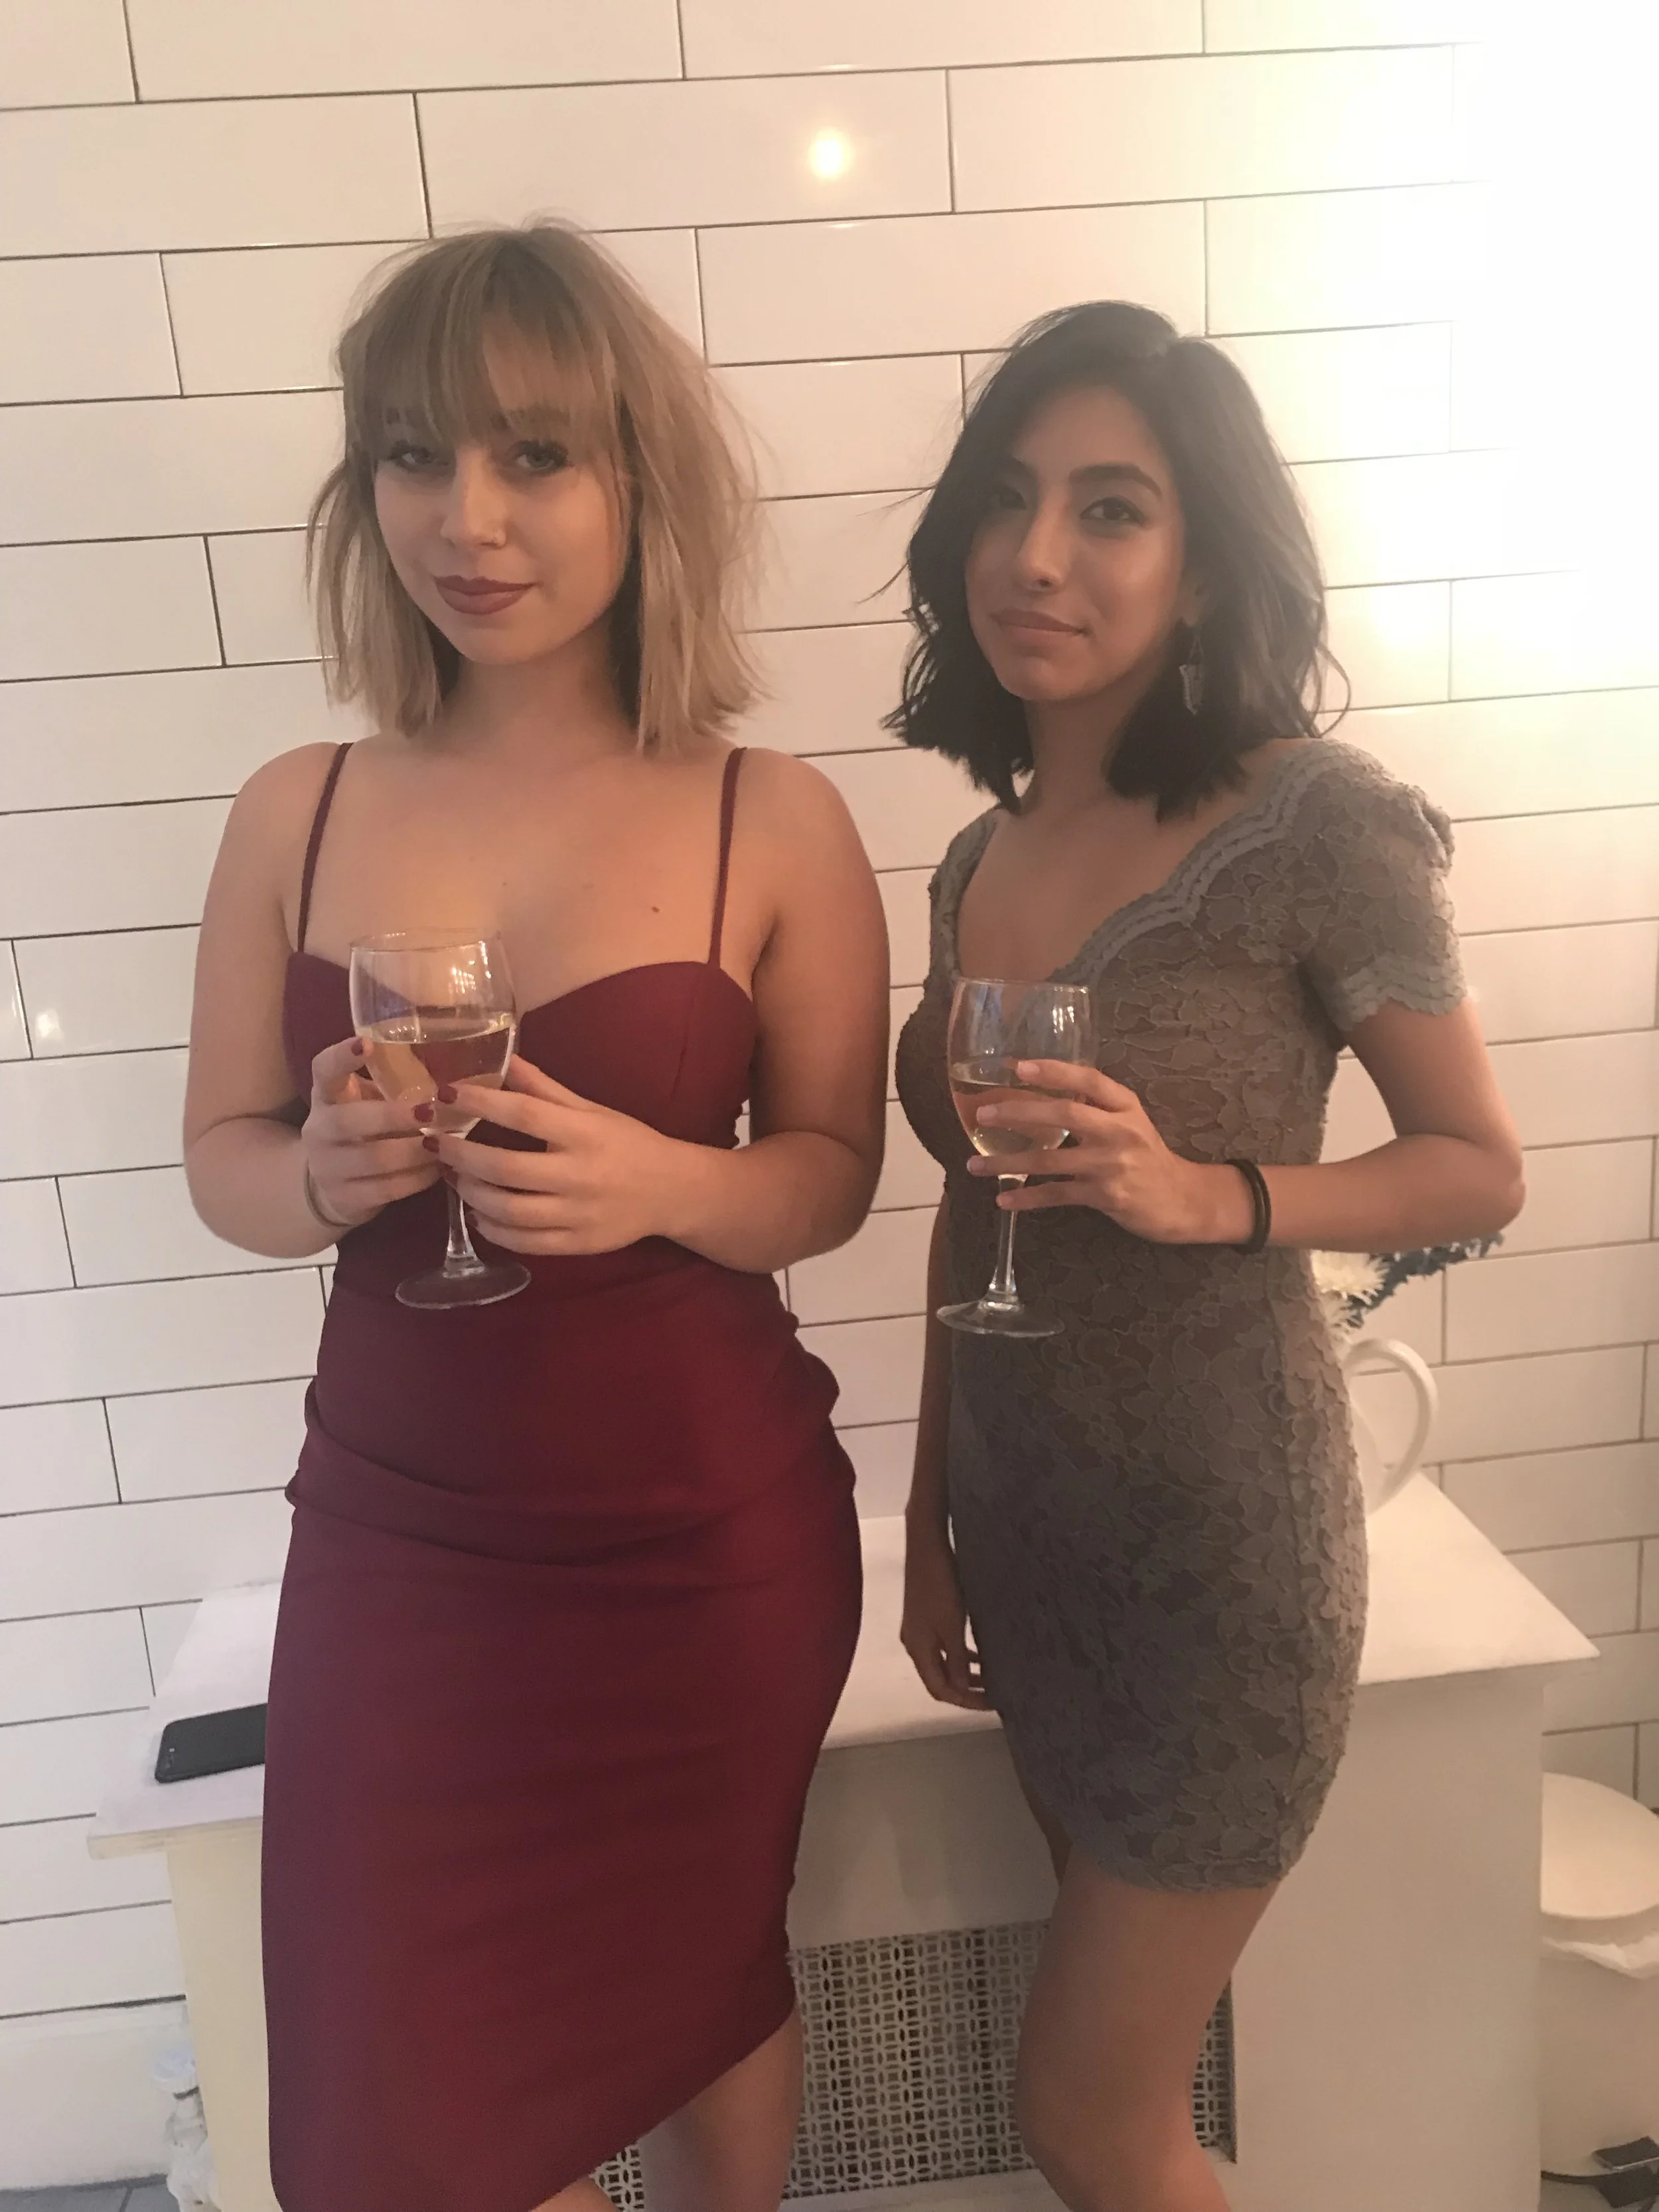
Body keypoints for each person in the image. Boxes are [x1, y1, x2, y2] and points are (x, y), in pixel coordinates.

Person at [182, 223, 886, 2212]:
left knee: (698, 1978)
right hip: (401, 1543)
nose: (466, 518)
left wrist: (663, 1182)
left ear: (642, 483)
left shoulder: (777, 815)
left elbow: (832, 1172)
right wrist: (313, 1176)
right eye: (414, 456)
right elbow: (222, 1156)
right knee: (392, 2120)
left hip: (702, 1543)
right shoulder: (294, 806)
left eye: (534, 456)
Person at [891, 303, 1524, 2212]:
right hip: (1033, 1539)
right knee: (1125, 2101)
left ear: (1198, 559)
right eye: (1008, 501)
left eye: (1110, 508)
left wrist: (1211, 1193)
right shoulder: (974, 856)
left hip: (1219, 1566)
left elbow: (1474, 1167)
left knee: (1088, 2119)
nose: (1038, 555)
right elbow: (964, 1203)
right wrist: (926, 1517)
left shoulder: (1310, 821)